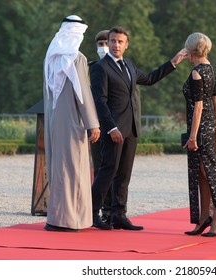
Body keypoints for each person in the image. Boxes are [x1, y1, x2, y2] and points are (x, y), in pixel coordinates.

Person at [90, 26, 187, 230]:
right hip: (114, 130)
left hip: (131, 129)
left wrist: (174, 62)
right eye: (112, 41)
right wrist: (111, 128)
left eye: (120, 42)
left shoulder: (130, 65)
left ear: (126, 45)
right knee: (107, 171)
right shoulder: (101, 67)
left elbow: (150, 79)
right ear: (108, 43)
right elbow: (100, 101)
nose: (115, 45)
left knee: (124, 175)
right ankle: (93, 213)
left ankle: (119, 215)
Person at [43, 15, 100, 232]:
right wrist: (92, 123)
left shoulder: (51, 56)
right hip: (73, 121)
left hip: (54, 120)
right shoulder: (76, 57)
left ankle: (56, 217)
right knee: (74, 169)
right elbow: (82, 92)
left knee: (58, 168)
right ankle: (73, 220)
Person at [182, 32, 216, 237]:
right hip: (209, 129)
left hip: (200, 129)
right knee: (204, 174)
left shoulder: (197, 73)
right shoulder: (211, 69)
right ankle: (204, 218)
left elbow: (198, 107)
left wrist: (193, 137)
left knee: (207, 174)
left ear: (191, 51)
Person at [88, 30, 112, 224]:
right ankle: (98, 210)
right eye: (100, 44)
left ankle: (113, 210)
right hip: (97, 125)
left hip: (116, 125)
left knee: (116, 171)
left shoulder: (122, 67)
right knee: (99, 168)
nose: (103, 47)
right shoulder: (90, 68)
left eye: (106, 42)